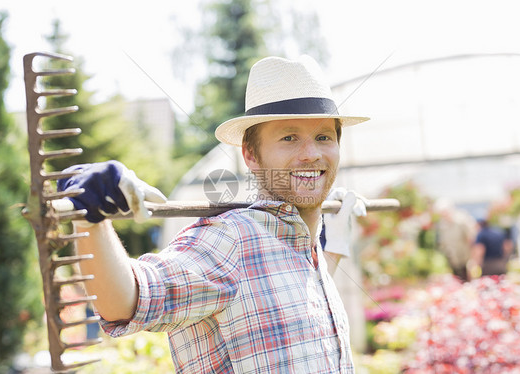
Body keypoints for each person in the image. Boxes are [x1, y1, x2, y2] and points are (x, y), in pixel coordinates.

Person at [57, 55, 369, 373]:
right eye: (289, 138)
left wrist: (334, 245)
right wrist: (90, 216)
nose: (312, 154)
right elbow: (126, 302)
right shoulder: (231, 240)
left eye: (323, 137)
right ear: (250, 154)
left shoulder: (304, 247)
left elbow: (289, 301)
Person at [433, 199, 476, 281]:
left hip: (466, 258)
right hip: (453, 260)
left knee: (468, 280)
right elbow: (443, 243)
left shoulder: (462, 220)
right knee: (457, 280)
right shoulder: (442, 224)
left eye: (444, 212)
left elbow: (471, 238)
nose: (443, 215)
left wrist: (473, 259)